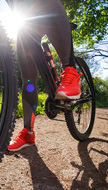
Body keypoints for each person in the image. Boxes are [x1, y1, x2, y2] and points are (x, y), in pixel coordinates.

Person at [6, 0, 82, 151]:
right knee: (28, 78)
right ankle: (28, 133)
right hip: (26, 19)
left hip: (44, 10)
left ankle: (70, 70)